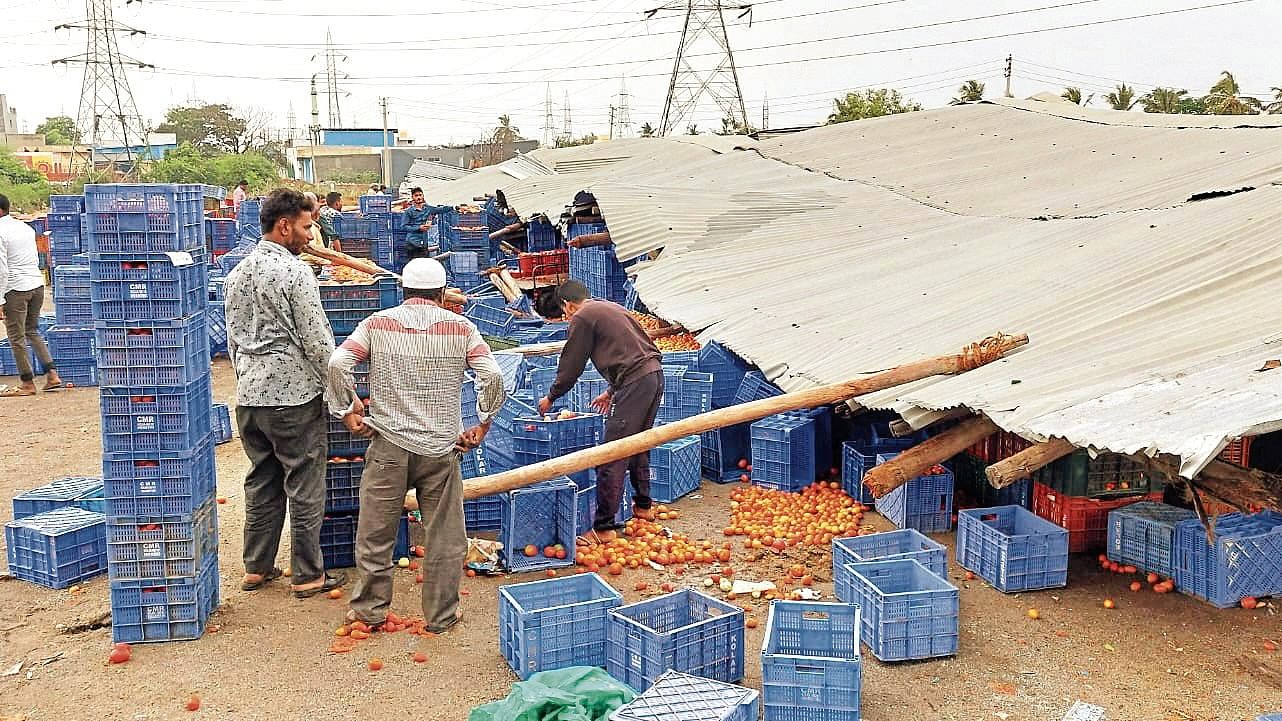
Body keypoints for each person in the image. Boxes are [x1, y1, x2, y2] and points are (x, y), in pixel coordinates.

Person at [328, 257, 505, 633]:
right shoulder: (462, 329)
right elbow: (491, 373)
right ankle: (441, 616)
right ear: (442, 294)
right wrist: (483, 421)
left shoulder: (377, 323)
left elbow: (339, 362)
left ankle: (369, 612)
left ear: (403, 291)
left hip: (389, 444)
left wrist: (346, 409)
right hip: (441, 449)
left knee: (376, 533)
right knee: (445, 536)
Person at [224, 188, 345, 598]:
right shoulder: (296, 273)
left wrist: (246, 377)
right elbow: (317, 342)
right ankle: (308, 574)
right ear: (285, 225)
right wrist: (341, 393)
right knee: (304, 483)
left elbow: (232, 342)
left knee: (262, 479)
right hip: (292, 398)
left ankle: (256, 567)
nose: (311, 237)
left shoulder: (236, 274)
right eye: (308, 227)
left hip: (250, 396)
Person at [538, 280, 661, 544]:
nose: (568, 317)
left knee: (612, 453)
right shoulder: (610, 307)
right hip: (653, 376)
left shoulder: (582, 316)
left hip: (636, 382)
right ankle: (643, 507)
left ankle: (604, 527)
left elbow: (572, 364)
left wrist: (551, 397)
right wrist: (612, 392)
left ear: (568, 305)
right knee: (638, 444)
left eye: (565, 313)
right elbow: (634, 351)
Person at [0, 194, 61, 397]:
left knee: (16, 337)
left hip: (15, 288)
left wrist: (0, 299)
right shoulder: (24, 228)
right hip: (36, 284)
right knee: (32, 331)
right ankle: (52, 375)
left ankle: (27, 383)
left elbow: (2, 270)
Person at [402, 187, 453, 261]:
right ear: (412, 197)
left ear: (423, 196)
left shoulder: (428, 209)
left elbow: (440, 209)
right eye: (416, 196)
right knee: (415, 265)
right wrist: (419, 228)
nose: (419, 197)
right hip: (413, 244)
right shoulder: (408, 212)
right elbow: (404, 227)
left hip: (424, 244)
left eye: (420, 195)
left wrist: (454, 207)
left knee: (424, 265)